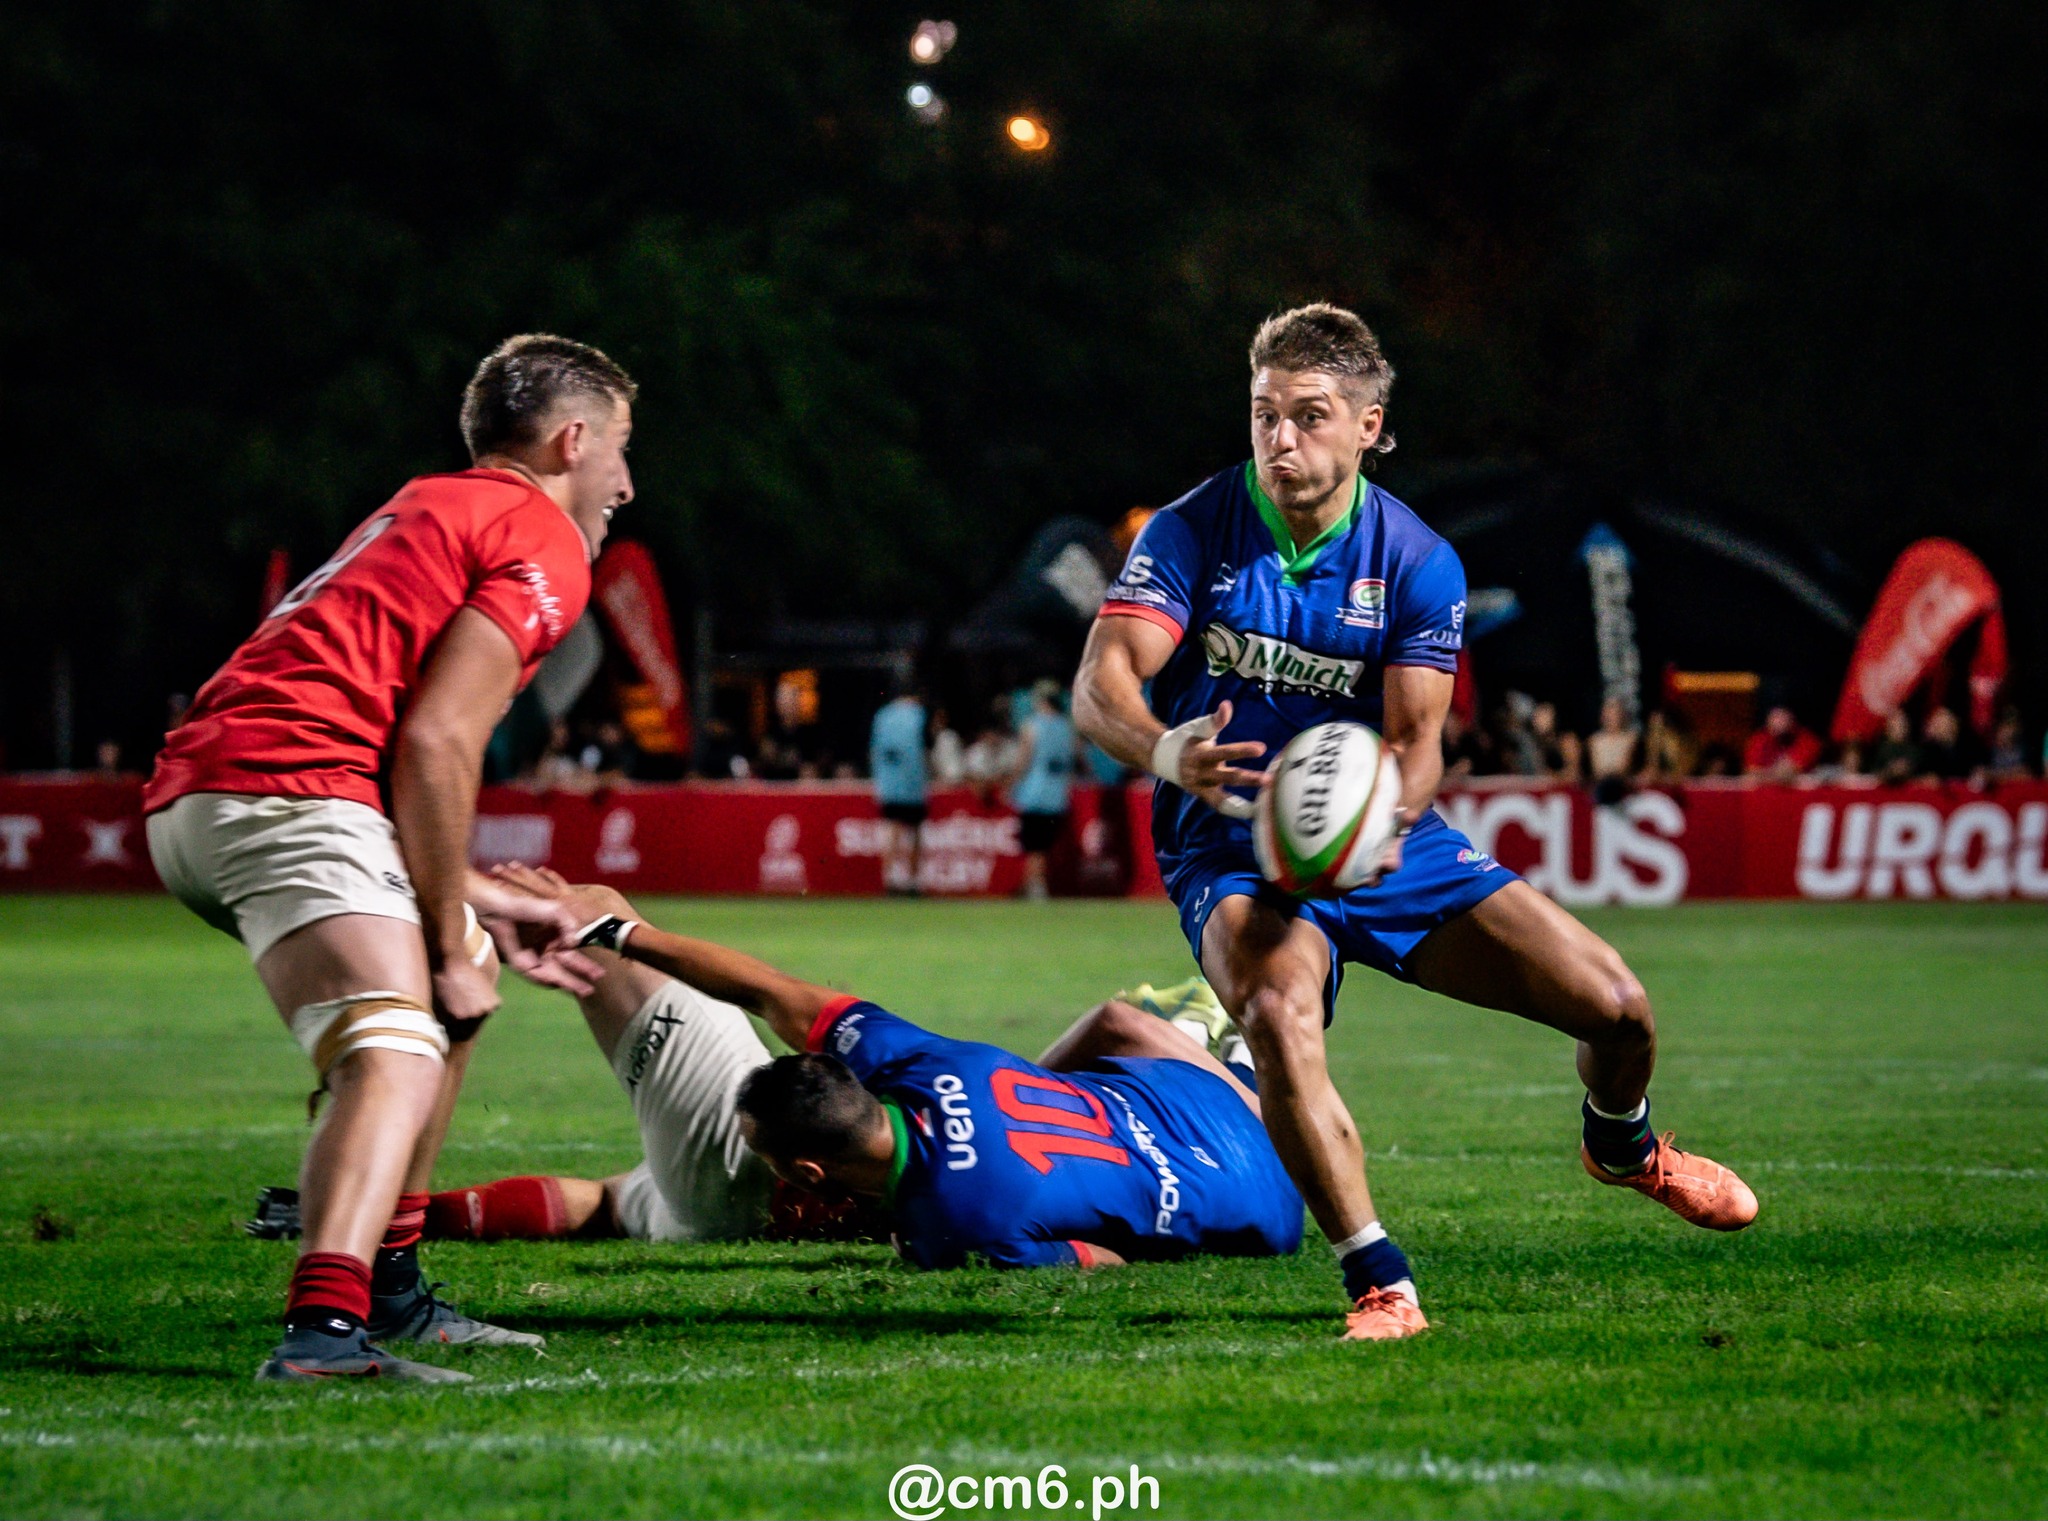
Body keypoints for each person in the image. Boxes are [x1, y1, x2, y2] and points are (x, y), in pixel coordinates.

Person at [1072, 303, 1756, 1342]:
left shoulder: (1413, 558)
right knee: (1276, 1013)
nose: (1279, 439)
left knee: (1619, 1010)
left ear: (1368, 426)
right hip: (1232, 842)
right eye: (1263, 413)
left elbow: (1418, 739)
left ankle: (1620, 1144)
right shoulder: (1191, 530)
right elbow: (1103, 681)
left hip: (1385, 837)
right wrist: (1167, 750)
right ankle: (1379, 1282)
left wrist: (1388, 813)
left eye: (1308, 416)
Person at [142, 334, 632, 1383]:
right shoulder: (541, 533)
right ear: (571, 440)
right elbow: (438, 740)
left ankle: (391, 1290)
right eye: (620, 449)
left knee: (463, 973)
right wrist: (449, 931)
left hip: (223, 793)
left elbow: (394, 736)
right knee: (395, 1045)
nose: (626, 484)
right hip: (283, 792)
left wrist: (472, 905)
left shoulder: (431, 503)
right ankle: (323, 1336)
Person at [463, 869, 1301, 1271]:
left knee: (592, 908)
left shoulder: (934, 1111)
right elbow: (1098, 1249)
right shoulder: (945, 1211)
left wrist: (616, 931)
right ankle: (401, 1216)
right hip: (752, 1204)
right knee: (619, 1202)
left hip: (748, 1183)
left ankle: (386, 1225)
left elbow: (770, 990)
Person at [1010, 679, 1079, 900]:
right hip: (1057, 795)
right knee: (1044, 845)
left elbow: (1024, 759)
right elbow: (1076, 759)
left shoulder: (1032, 726)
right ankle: (1029, 885)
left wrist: (1012, 783)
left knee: (1033, 846)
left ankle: (1036, 886)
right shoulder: (1067, 728)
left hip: (1034, 793)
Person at [870, 682, 930, 894]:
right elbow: (922, 750)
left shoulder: (882, 715)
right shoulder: (918, 715)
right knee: (914, 833)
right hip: (913, 784)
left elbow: (875, 750)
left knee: (891, 830)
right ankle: (913, 881)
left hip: (888, 784)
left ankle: (890, 878)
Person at [1584, 698, 1640, 805]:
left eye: (1615, 712)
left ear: (1622, 715)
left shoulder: (1631, 738)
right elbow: (1597, 770)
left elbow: (1624, 767)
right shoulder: (1594, 740)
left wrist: (1612, 774)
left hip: (1620, 786)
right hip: (1601, 785)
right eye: (1608, 711)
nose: (1611, 716)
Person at [1743, 706, 1822, 778]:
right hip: (1766, 786)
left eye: (1783, 719)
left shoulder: (1808, 740)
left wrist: (1765, 774)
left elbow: (1793, 770)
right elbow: (1751, 770)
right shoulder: (1759, 739)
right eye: (1775, 718)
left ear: (1793, 721)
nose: (1779, 723)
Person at [1868, 708, 1921, 785]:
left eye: (1903, 725)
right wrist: (1890, 771)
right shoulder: (1877, 748)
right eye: (1897, 725)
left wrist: (1906, 769)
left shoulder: (1914, 749)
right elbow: (1871, 774)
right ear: (1888, 727)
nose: (1901, 728)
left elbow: (1922, 774)